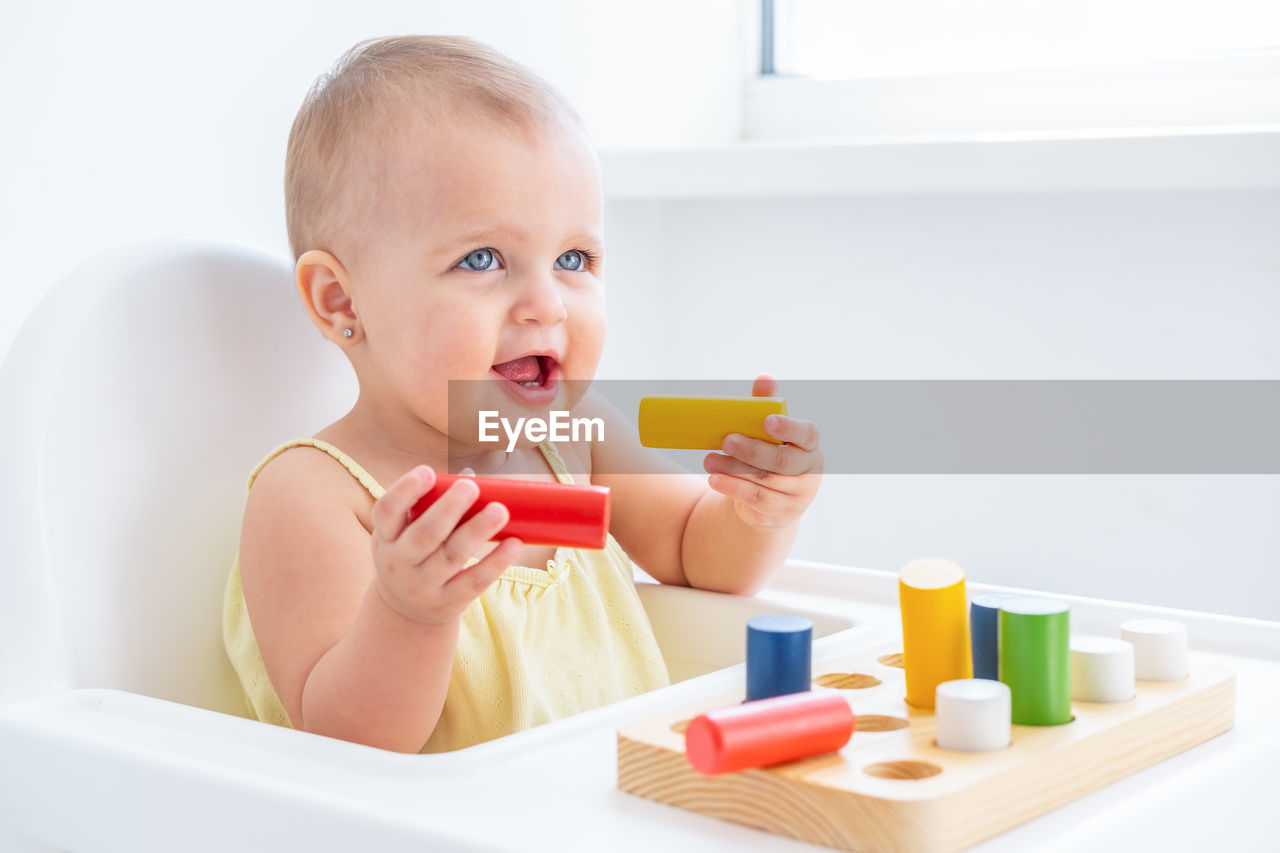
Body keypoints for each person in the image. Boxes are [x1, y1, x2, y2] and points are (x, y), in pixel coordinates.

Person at [223, 35, 823, 754]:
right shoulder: (313, 495)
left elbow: (701, 557)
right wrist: (408, 611)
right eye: (482, 259)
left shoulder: (575, 438)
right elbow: (349, 742)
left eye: (575, 258)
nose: (548, 304)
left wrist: (758, 510)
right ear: (340, 300)